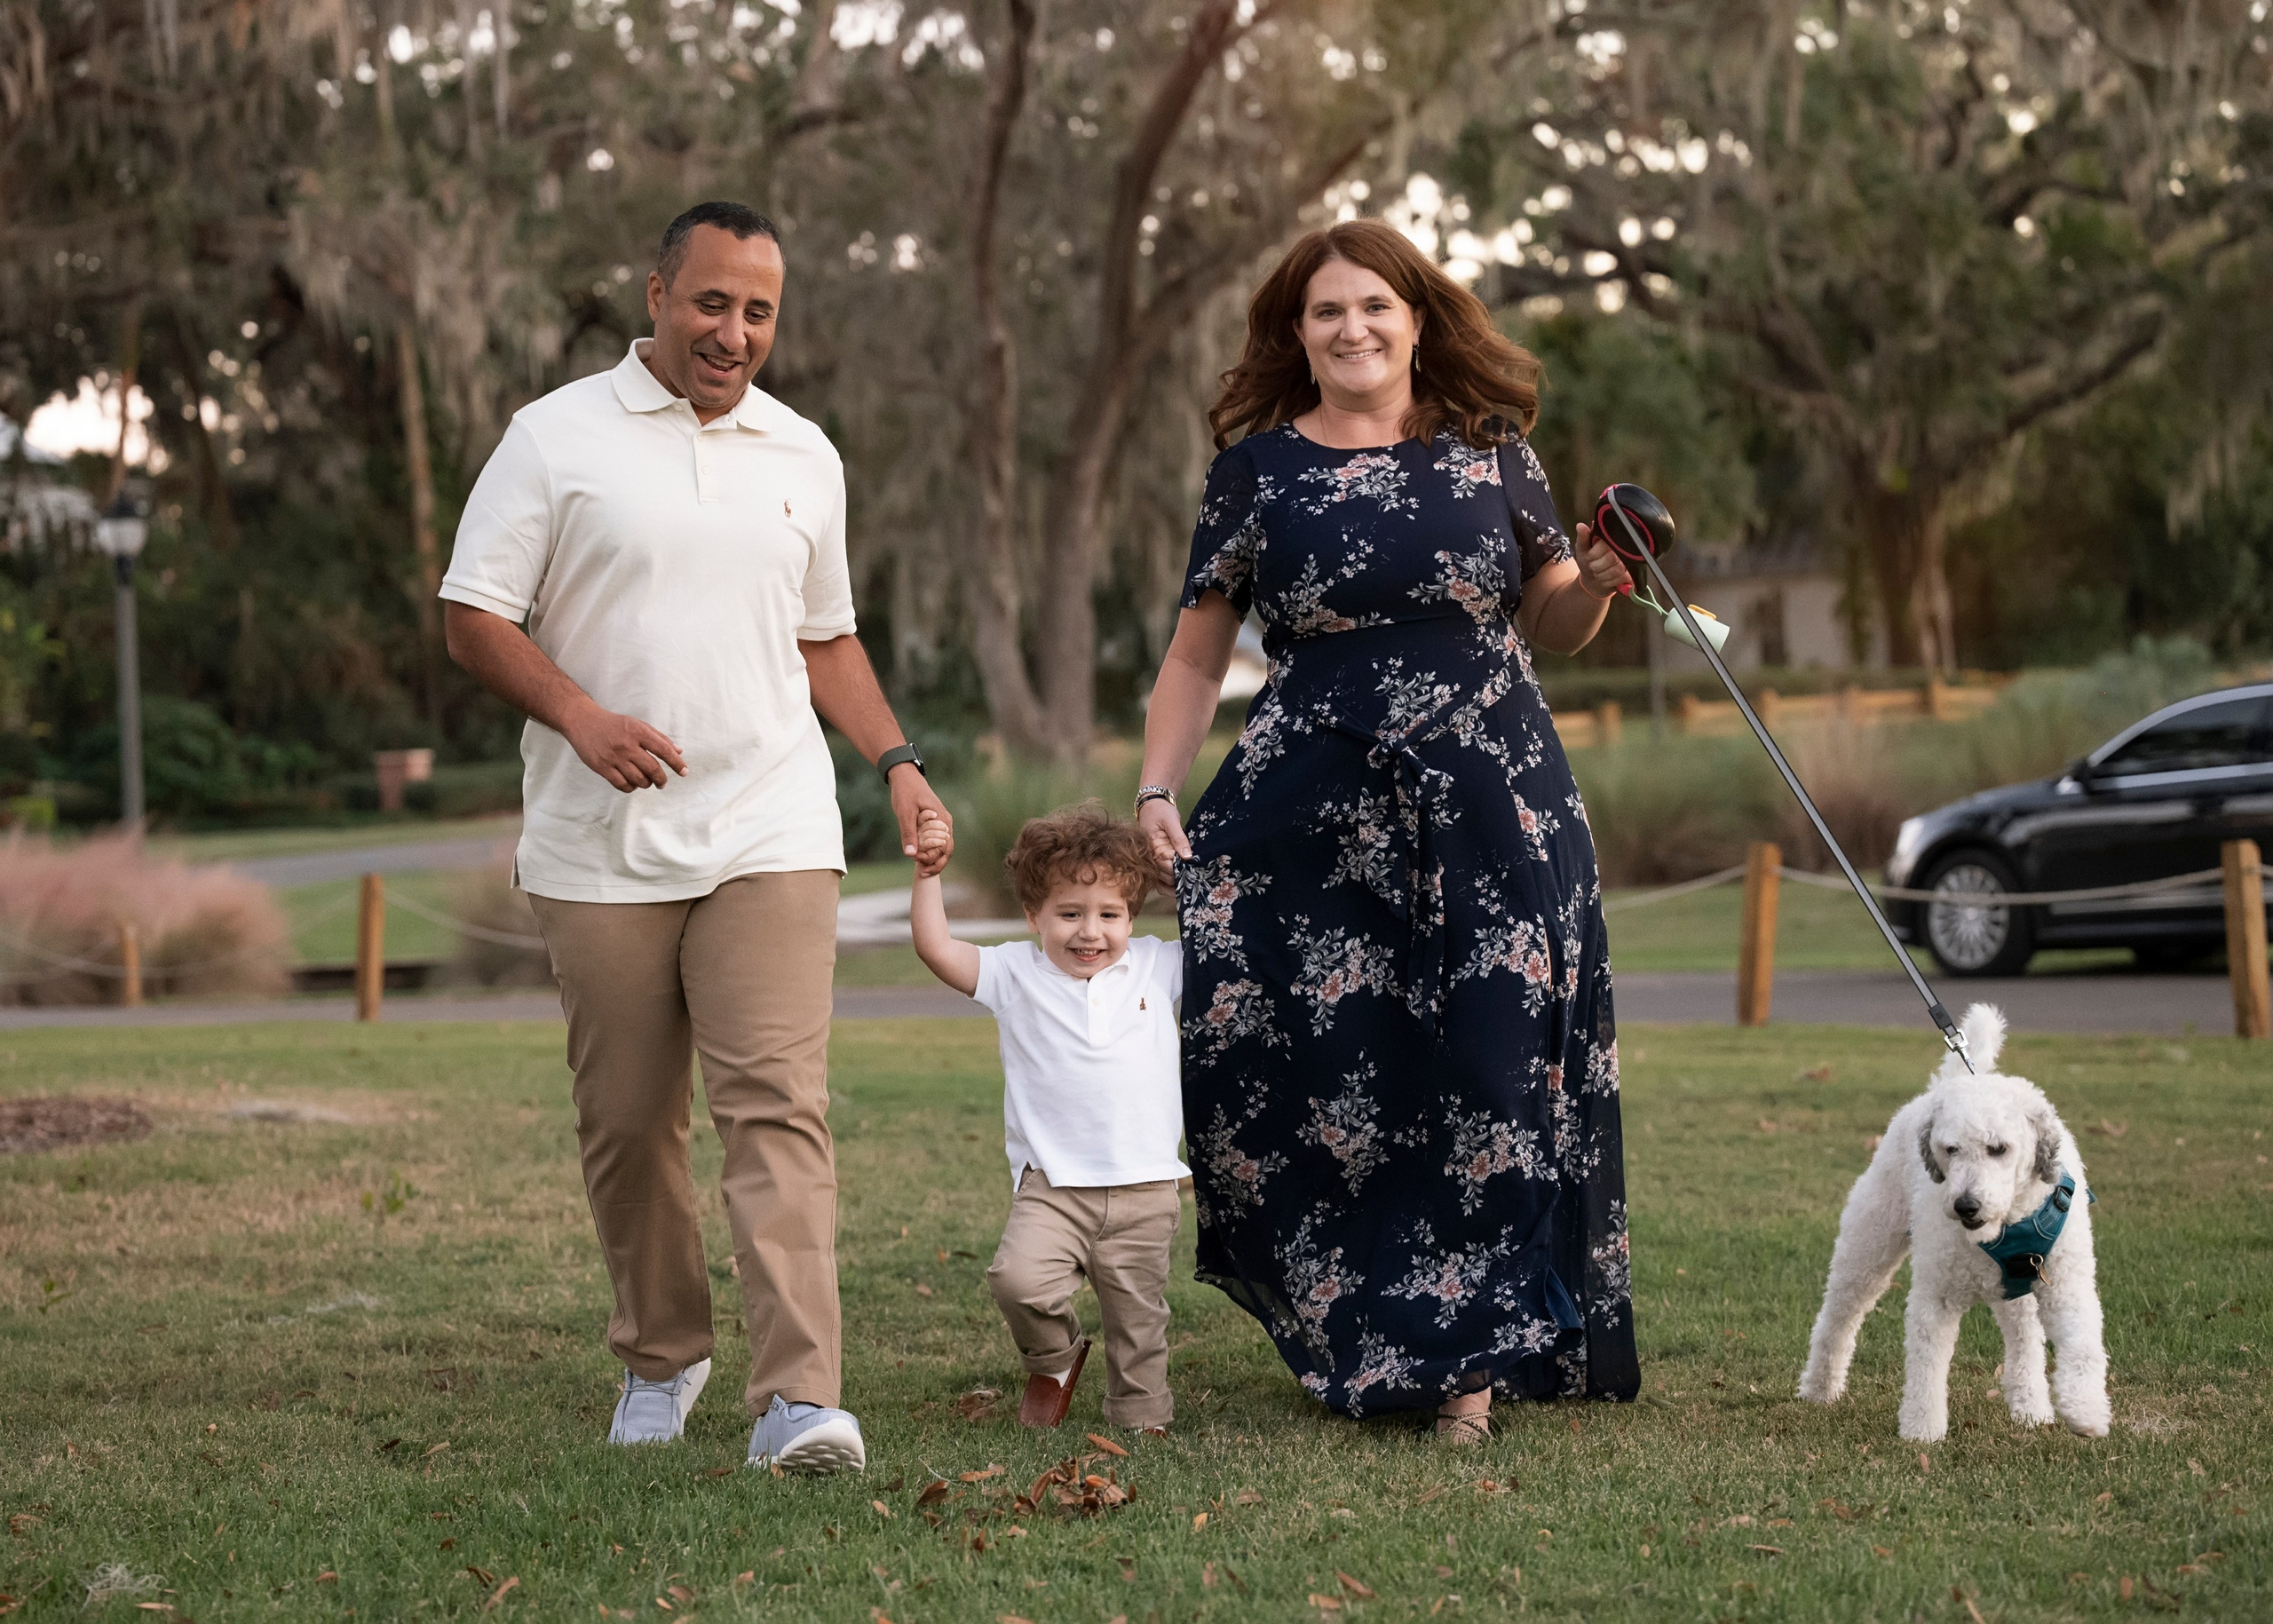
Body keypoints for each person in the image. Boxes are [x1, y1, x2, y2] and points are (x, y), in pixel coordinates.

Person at [440, 200, 953, 1473]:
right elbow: (473, 615)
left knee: (777, 1105)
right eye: (713, 301)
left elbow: (825, 636)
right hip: (598, 834)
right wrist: (581, 717)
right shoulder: (554, 438)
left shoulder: (803, 455)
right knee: (627, 1118)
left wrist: (895, 764)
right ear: (659, 292)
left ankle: (797, 1401)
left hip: (771, 824)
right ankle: (663, 1355)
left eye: (760, 311)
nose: (735, 332)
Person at [1134, 218, 1639, 1443]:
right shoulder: (1257, 473)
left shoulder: (1494, 458)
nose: (1352, 328)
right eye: (1325, 313)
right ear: (1295, 336)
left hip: (1495, 802)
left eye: (1374, 306)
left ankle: (1468, 1366)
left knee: (1489, 1065)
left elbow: (1552, 620)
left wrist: (1603, 579)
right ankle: (1368, 1335)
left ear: (1419, 319)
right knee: (1331, 1077)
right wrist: (1156, 788)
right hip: (1313, 813)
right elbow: (1200, 655)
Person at [908, 804, 1186, 1437]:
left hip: (1144, 1186)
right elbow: (934, 947)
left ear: (1132, 916)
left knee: (1138, 1319)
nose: (1091, 932)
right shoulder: (1013, 973)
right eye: (1069, 913)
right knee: (1018, 1280)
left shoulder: (1156, 964)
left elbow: (1232, 931)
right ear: (1034, 915)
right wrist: (928, 874)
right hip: (1053, 1185)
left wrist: (1178, 881)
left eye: (1109, 914)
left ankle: (1142, 1416)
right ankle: (1056, 1358)